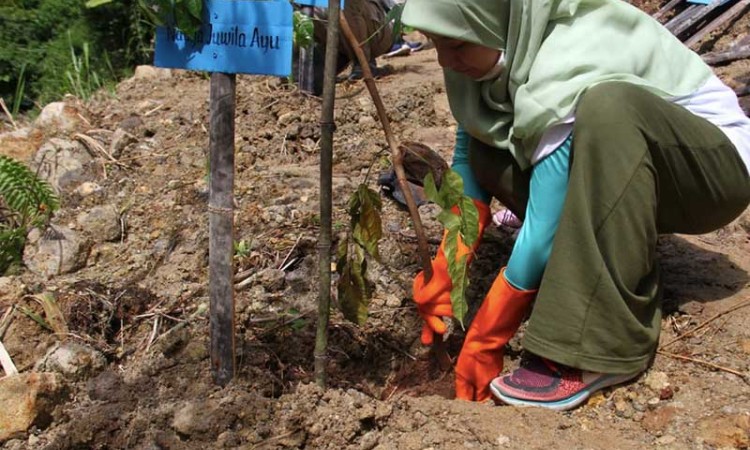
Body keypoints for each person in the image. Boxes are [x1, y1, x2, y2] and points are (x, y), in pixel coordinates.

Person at [402, 0, 750, 410]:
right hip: (629, 167)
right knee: (489, 153)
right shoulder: (493, 44)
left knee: (609, 105)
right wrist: (448, 268)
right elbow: (469, 160)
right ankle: (608, 254)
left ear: (494, 24)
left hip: (707, 172)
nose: (445, 59)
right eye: (434, 43)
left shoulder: (574, 47)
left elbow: (546, 221)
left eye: (456, 45)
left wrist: (488, 334)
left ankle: (600, 342)